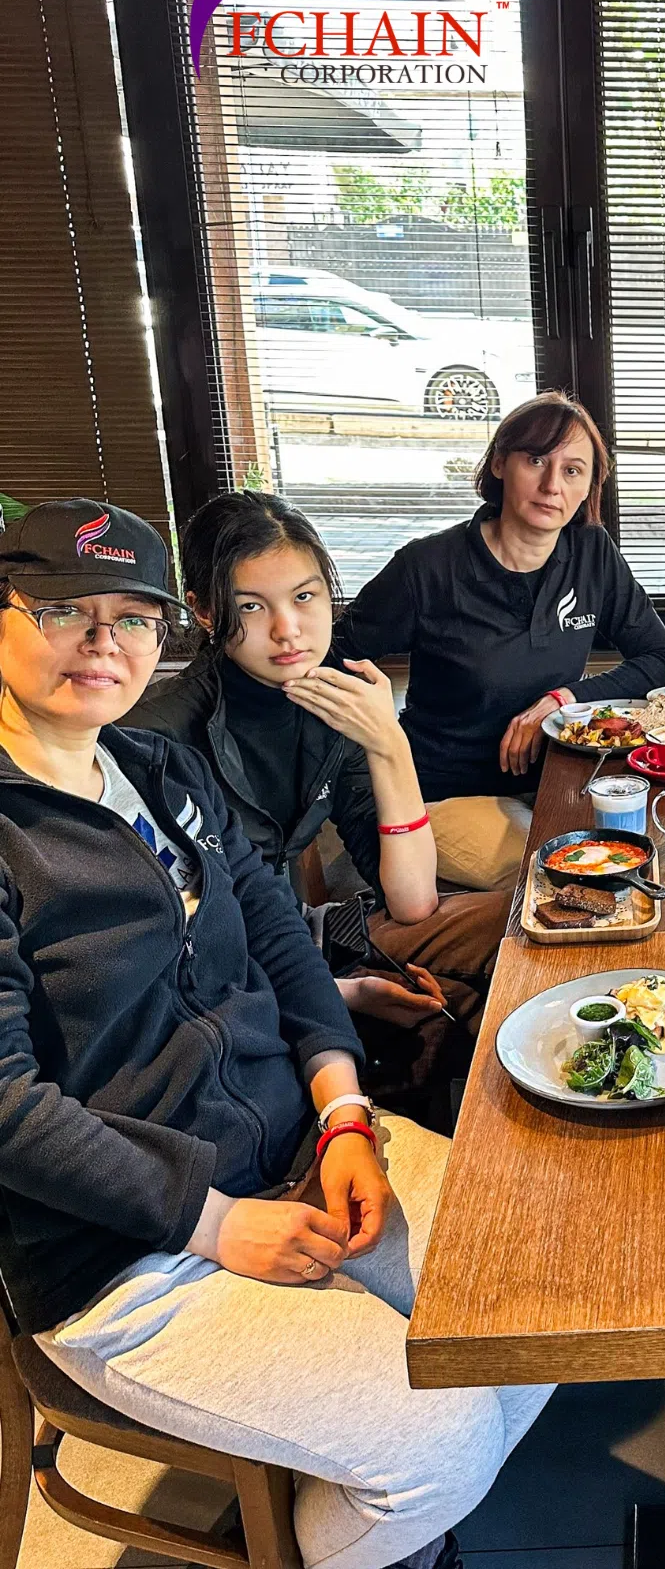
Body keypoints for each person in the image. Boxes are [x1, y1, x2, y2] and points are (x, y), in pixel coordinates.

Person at [0, 500, 550, 1569]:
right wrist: (209, 1222)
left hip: (299, 1150)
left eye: (131, 617)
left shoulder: (158, 773)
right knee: (443, 1440)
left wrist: (344, 1114)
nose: (104, 642)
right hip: (128, 1252)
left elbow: (282, 945)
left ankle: (393, 1531)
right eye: (66, 610)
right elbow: (8, 1108)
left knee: (542, 1297)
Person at [128, 491, 508, 1122]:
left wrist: (389, 745)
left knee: (525, 924)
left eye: (305, 597)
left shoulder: (334, 700)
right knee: (454, 1013)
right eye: (251, 606)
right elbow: (182, 953)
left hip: (312, 932)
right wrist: (337, 991)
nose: (288, 630)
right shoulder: (159, 740)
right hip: (241, 973)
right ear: (204, 610)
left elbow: (412, 901)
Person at [334, 392, 665, 892]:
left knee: (662, 845)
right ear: (500, 463)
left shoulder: (592, 553)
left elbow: (660, 658)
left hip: (556, 778)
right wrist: (371, 751)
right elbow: (332, 655)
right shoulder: (428, 568)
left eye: (573, 470)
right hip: (447, 794)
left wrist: (563, 699)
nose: (552, 485)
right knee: (576, 875)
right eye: (536, 460)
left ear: (589, 487)